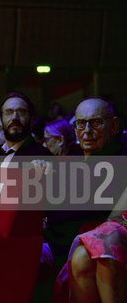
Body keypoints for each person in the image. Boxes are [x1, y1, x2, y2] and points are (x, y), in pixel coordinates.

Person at [53, 98, 127, 302]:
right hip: (51, 239)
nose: (87, 130)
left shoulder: (119, 159)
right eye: (80, 123)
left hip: (84, 239)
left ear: (113, 125)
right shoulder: (69, 160)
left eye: (95, 123)